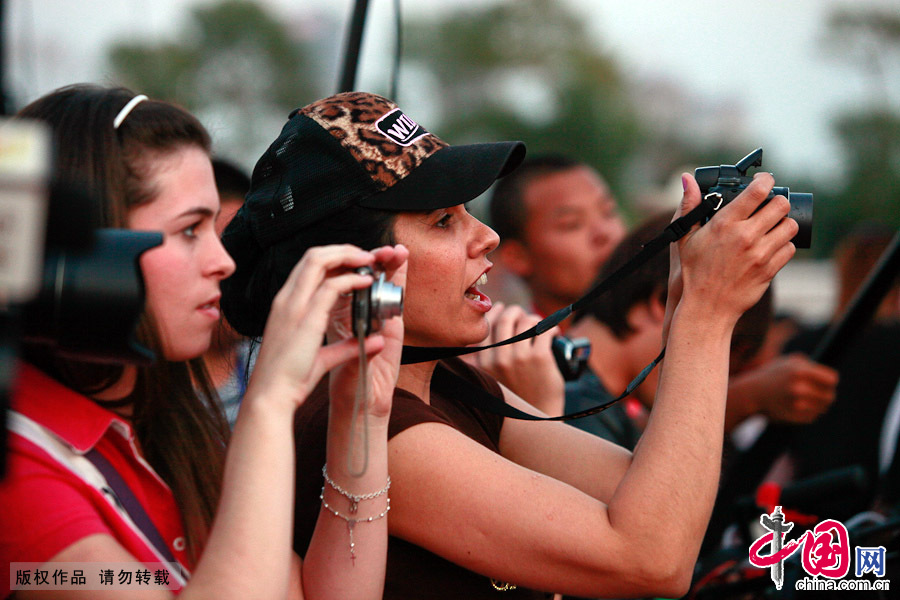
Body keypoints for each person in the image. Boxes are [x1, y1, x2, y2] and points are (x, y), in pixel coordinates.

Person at [220, 91, 799, 599]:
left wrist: (685, 296)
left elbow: (656, 494)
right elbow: (651, 559)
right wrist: (707, 316)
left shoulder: (443, 379)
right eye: (444, 221)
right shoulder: (365, 423)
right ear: (355, 268)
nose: (487, 236)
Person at [0, 84, 405, 600]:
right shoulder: (18, 467)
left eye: (215, 229)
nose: (224, 262)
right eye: (190, 230)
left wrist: (361, 413)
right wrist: (268, 404)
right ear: (83, 248)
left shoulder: (165, 429)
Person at [565, 212, 839, 448]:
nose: (710, 380)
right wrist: (745, 400)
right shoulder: (575, 406)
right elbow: (649, 497)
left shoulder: (583, 395)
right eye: (717, 352)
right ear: (665, 302)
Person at [488, 154, 627, 325]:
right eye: (572, 224)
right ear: (517, 257)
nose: (604, 233)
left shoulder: (664, 331)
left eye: (608, 211)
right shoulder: (512, 349)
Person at [204, 158, 253, 426]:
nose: (229, 266)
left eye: (246, 248)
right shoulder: (137, 403)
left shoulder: (273, 366)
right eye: (189, 232)